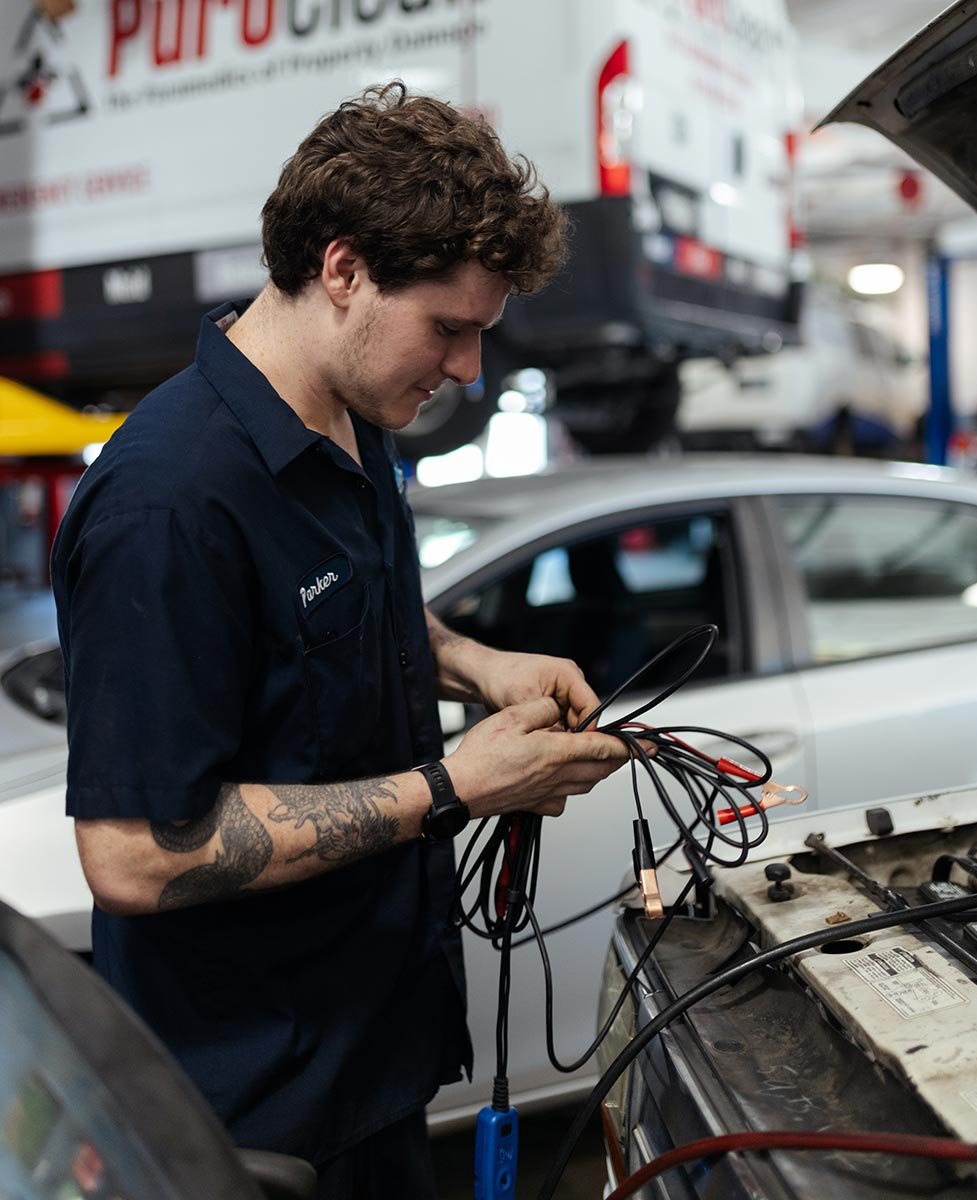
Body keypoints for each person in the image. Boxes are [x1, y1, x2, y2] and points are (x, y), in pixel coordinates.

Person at [51, 82, 633, 1198]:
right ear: (343, 270)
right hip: (255, 1118)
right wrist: (455, 786)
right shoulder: (170, 502)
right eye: (450, 328)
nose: (469, 368)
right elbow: (130, 854)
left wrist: (472, 661)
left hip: (377, 1053)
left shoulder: (354, 418)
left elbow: (334, 608)